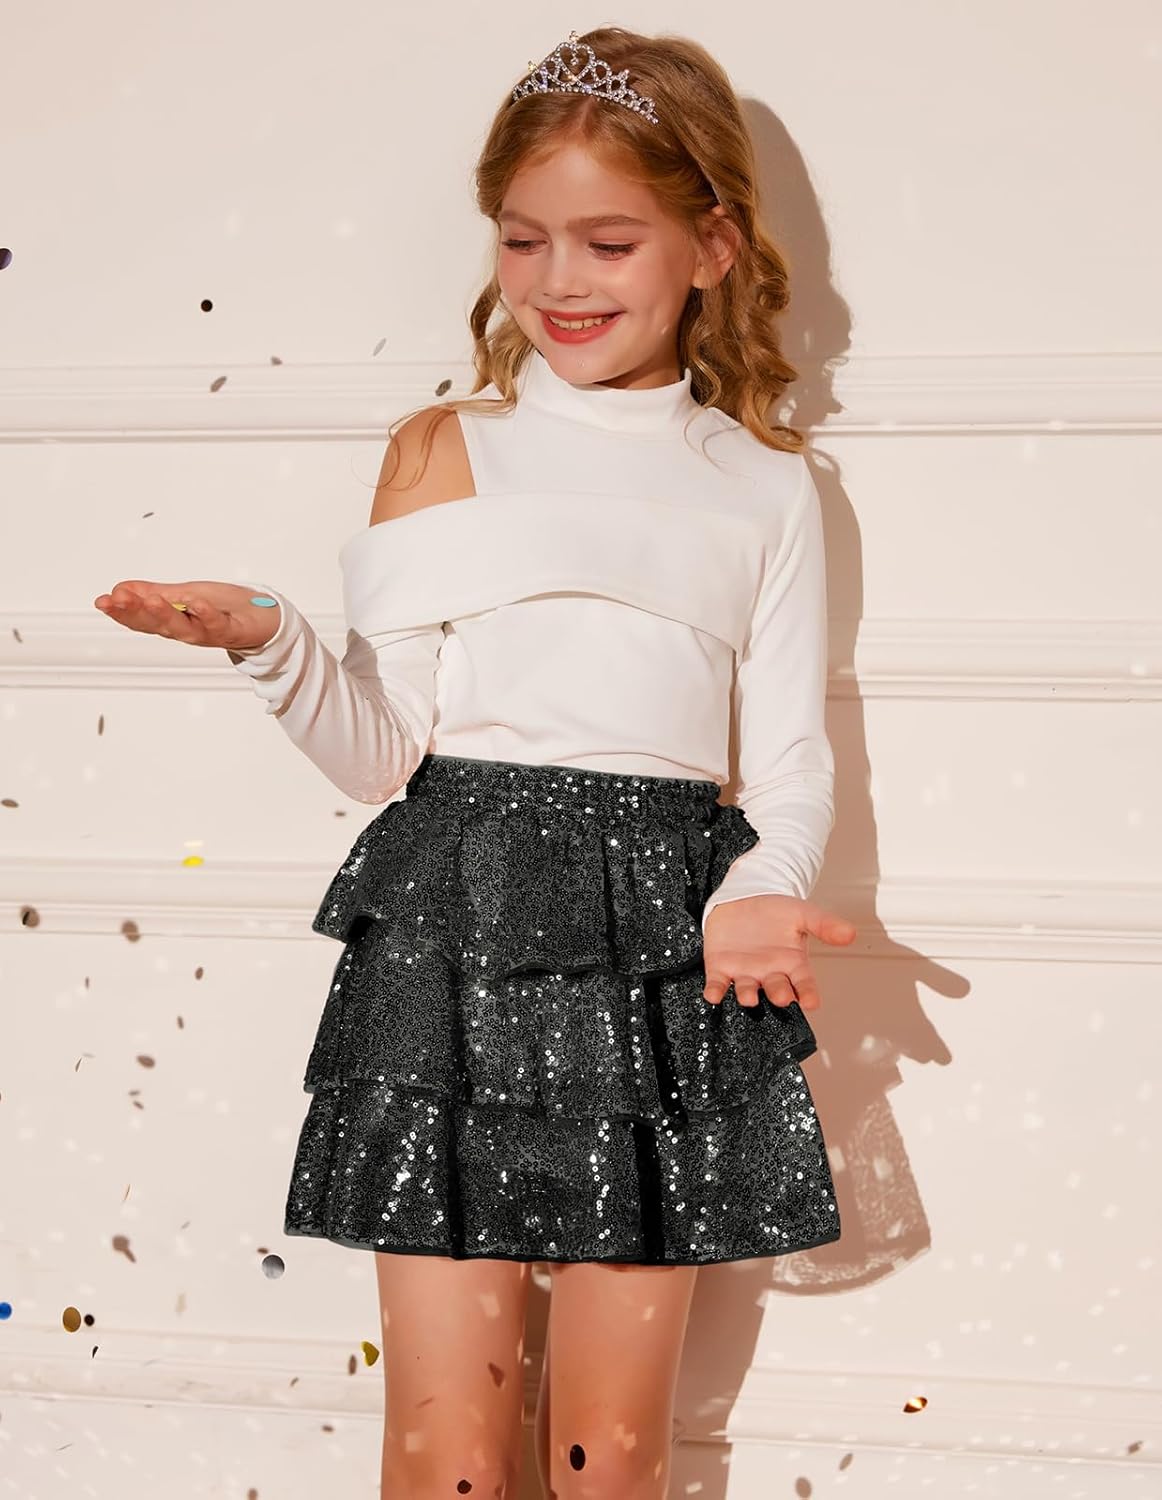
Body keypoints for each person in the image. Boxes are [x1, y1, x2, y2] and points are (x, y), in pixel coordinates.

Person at [94, 26, 858, 1500]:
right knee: (447, 1446)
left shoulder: (764, 488)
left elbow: (788, 760)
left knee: (609, 1450)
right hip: (446, 936)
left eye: (608, 243)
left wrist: (762, 886)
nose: (560, 281)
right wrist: (270, 639)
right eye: (522, 239)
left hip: (657, 950)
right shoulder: (445, 448)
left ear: (710, 246)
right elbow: (382, 751)